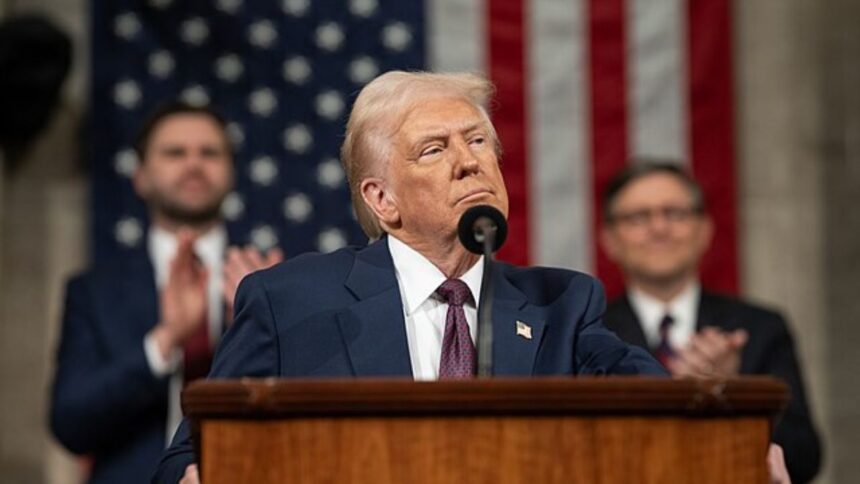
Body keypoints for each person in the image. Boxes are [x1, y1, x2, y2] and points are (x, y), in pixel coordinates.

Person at [152, 71, 667, 484]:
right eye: (434, 149)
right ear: (382, 199)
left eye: (478, 141)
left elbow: (655, 404)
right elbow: (189, 455)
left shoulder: (563, 304)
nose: (469, 163)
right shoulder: (292, 301)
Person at [49, 101, 282, 484]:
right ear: (140, 176)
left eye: (209, 153)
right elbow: (70, 423)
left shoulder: (270, 278)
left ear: (231, 173)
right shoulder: (94, 291)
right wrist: (166, 340)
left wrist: (261, 325)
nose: (193, 164)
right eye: (175, 153)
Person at [599, 161, 821, 483]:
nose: (659, 228)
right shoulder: (587, 331)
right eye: (638, 217)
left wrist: (731, 392)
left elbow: (804, 458)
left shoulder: (760, 328)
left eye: (675, 213)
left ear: (704, 231)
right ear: (609, 239)